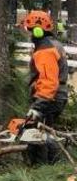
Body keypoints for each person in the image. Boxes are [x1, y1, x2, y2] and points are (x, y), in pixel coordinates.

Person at [22, 10, 70, 164]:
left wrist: (38, 106)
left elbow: (49, 81)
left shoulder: (45, 50)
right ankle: (52, 169)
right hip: (55, 96)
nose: (28, 34)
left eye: (30, 30)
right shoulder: (52, 45)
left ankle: (42, 169)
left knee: (35, 134)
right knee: (44, 131)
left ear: (37, 30)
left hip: (50, 97)